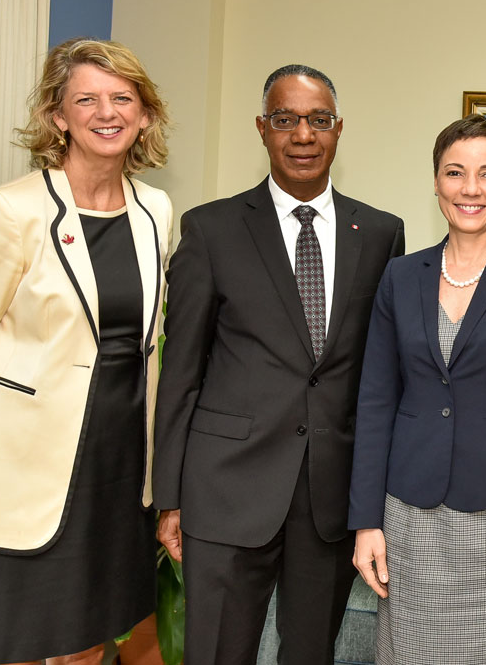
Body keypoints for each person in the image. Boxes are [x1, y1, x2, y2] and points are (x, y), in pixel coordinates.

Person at [0, 38, 173, 665]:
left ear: (145, 115)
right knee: (3, 647)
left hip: (117, 474)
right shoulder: (9, 212)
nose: (106, 113)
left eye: (122, 98)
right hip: (15, 480)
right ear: (57, 116)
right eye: (86, 100)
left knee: (87, 645)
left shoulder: (155, 210)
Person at [152, 64, 405, 664]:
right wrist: (169, 496)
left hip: (330, 497)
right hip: (225, 491)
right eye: (286, 119)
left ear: (338, 129)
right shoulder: (210, 229)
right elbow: (180, 372)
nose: (303, 135)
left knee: (311, 654)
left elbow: (380, 378)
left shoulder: (381, 234)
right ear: (262, 128)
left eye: (318, 120)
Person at [348, 114, 486, 664]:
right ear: (436, 182)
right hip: (408, 517)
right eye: (455, 173)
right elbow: (375, 403)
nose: (471, 189)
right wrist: (366, 521)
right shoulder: (400, 277)